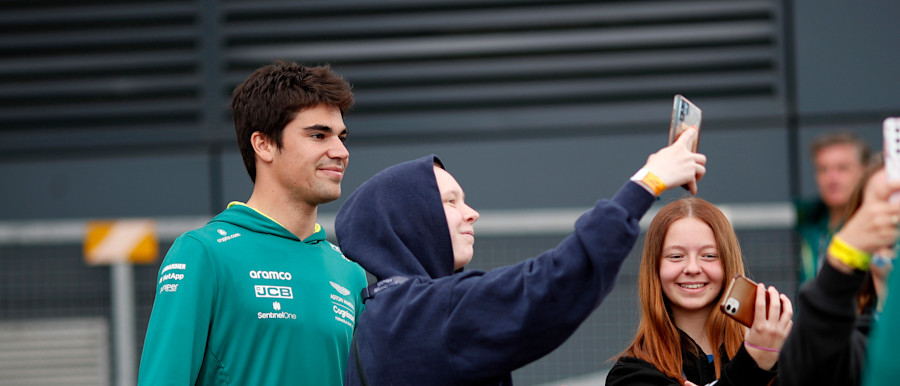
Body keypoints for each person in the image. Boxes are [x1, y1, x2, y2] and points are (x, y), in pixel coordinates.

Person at [335, 128, 706, 385]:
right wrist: (647, 182)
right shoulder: (423, 314)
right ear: (409, 221)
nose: (471, 213)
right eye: (450, 201)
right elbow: (553, 282)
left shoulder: (384, 316)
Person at [137, 60, 368, 385]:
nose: (341, 151)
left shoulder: (351, 273)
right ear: (264, 144)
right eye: (319, 135)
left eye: (342, 137)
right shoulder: (203, 253)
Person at [606, 197, 794, 386]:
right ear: (655, 268)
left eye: (709, 256)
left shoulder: (784, 362)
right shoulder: (630, 376)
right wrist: (754, 362)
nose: (693, 268)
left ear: (727, 265)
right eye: (676, 256)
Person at [780, 157, 900, 386]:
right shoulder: (851, 343)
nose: (893, 217)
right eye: (882, 205)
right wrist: (841, 263)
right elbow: (804, 373)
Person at [795, 131, 871, 285]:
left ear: (864, 171)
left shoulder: (879, 226)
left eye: (842, 168)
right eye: (823, 169)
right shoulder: (809, 225)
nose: (832, 178)